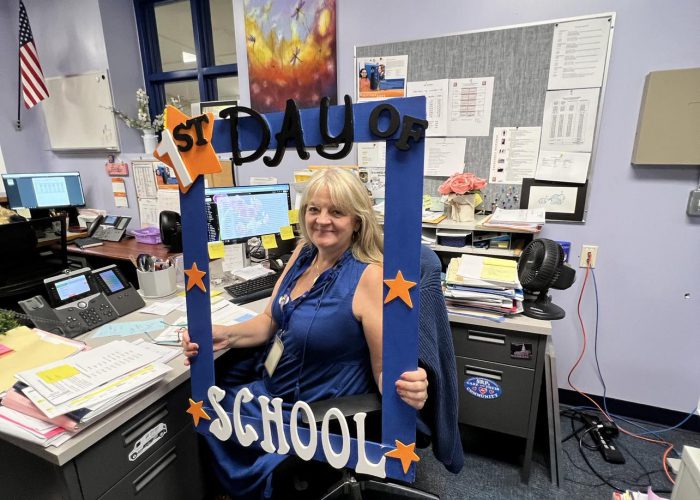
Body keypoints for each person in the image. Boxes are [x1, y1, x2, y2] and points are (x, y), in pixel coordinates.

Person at [182, 168, 428, 498]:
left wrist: (410, 390)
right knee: (208, 407)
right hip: (272, 393)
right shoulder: (303, 253)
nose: (321, 220)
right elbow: (269, 320)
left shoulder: (370, 277)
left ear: (356, 220)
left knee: (225, 423)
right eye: (314, 209)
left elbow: (385, 370)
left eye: (336, 211)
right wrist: (224, 334)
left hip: (312, 417)